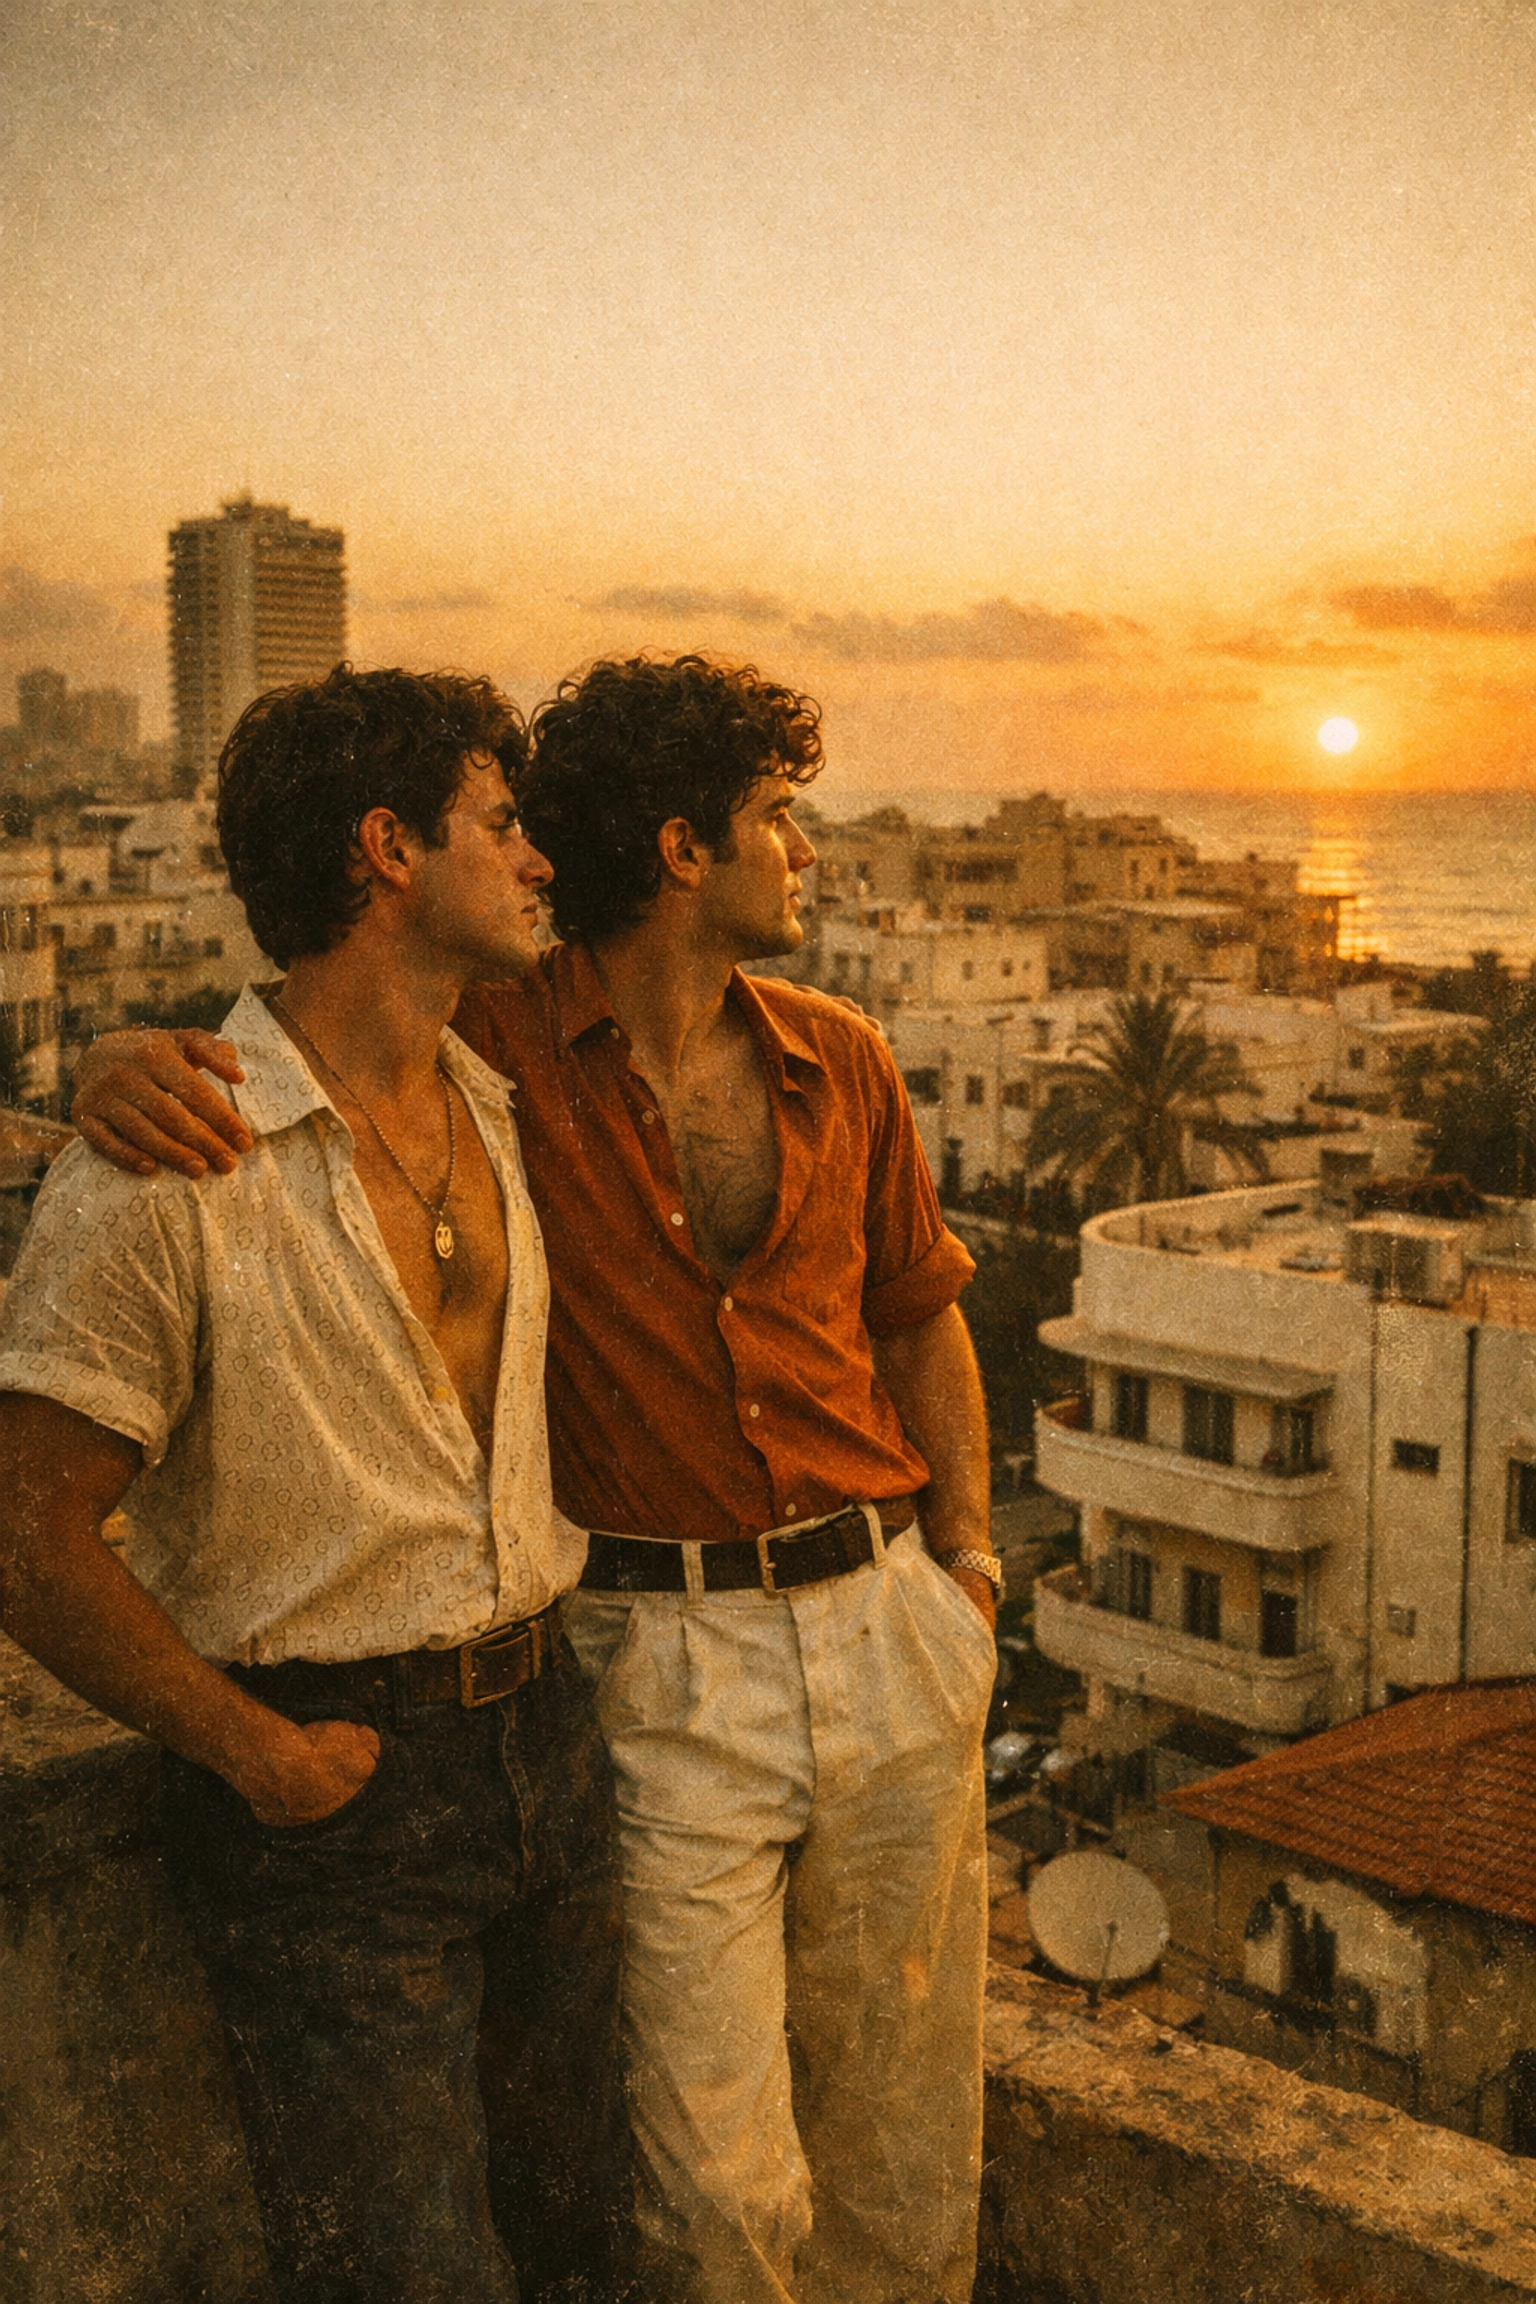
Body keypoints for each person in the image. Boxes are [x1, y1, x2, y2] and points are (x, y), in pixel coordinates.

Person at [72, 653, 1001, 2304]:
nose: (813, 853)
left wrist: (971, 1567)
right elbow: (316, 1030)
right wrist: (112, 1066)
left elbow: (923, 1314)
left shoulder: (818, 1057)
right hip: (646, 1661)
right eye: (779, 818)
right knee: (704, 2194)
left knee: (900, 2162)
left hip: (858, 1634)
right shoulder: (504, 1045)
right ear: (683, 848)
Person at [3, 666, 630, 2304]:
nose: (538, 858)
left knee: (582, 2248)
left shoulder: (496, 1097)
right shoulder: (171, 1169)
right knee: (408, 2276)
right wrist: (256, 1757)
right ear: (387, 848)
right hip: (338, 1786)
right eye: (502, 823)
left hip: (549, 1750)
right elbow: (24, 1533)